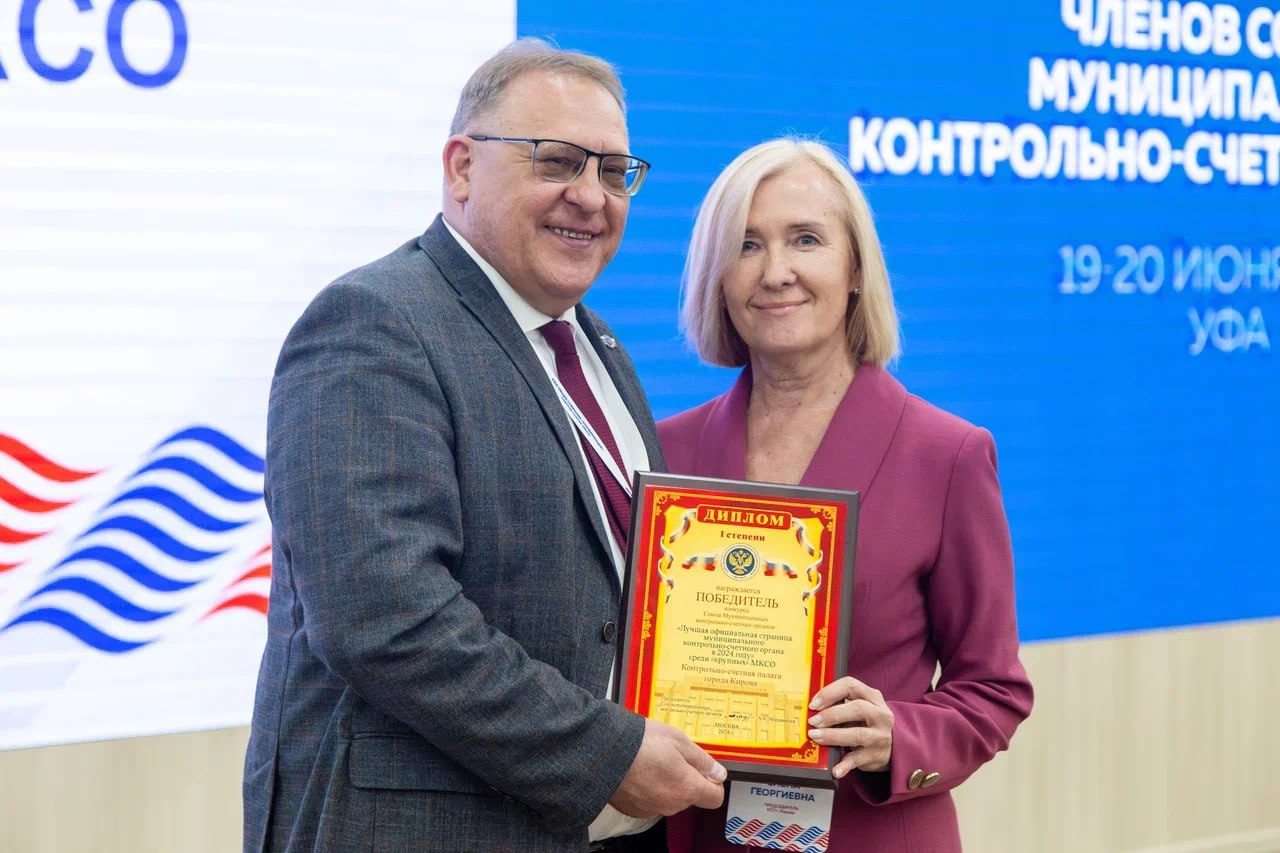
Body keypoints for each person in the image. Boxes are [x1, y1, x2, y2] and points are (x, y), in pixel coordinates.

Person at [242, 39, 727, 853]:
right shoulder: (374, 323)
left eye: (614, 172)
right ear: (461, 167)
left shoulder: (599, 348)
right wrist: (604, 753)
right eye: (557, 161)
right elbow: (385, 619)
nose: (591, 196)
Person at [658, 138, 1034, 852]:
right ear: (718, 277)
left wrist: (901, 734)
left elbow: (994, 690)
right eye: (746, 245)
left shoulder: (948, 454)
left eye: (806, 239)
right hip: (703, 835)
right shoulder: (664, 453)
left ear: (856, 268)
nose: (776, 271)